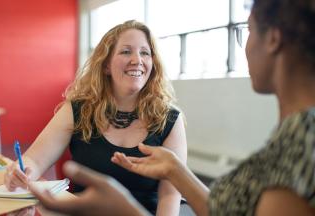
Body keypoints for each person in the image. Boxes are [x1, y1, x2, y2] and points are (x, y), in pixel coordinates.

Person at [29, 0, 315, 215]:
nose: (245, 46)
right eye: (126, 51)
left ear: (273, 39)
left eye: (248, 31)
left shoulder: (303, 140)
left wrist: (127, 209)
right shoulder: (292, 135)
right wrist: (178, 172)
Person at [4, 20, 187, 215]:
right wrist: (20, 172)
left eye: (145, 53)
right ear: (106, 65)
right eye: (126, 51)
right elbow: (34, 159)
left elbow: (170, 195)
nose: (137, 59)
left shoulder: (169, 120)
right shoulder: (78, 110)